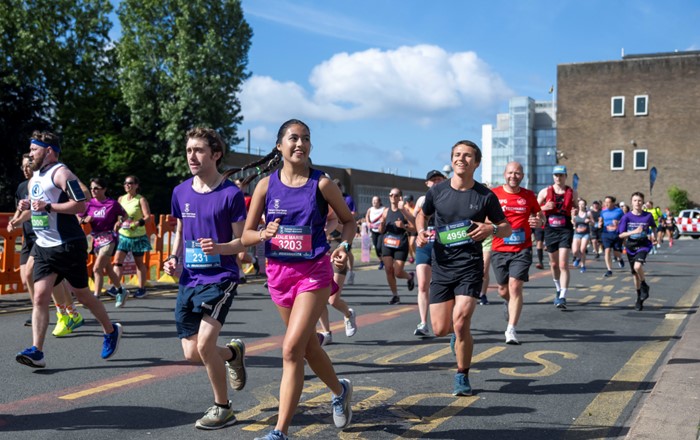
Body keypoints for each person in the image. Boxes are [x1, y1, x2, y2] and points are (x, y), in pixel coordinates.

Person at [240, 119, 353, 440]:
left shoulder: (322, 184)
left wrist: (343, 246)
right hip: (279, 274)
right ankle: (340, 390)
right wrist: (263, 233)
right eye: (293, 138)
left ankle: (280, 431)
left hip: (313, 273)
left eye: (305, 139)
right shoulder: (264, 185)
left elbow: (348, 221)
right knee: (305, 347)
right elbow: (248, 234)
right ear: (279, 146)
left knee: (290, 349)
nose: (300, 143)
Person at [162, 127, 248, 430]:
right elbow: (181, 229)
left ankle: (223, 407)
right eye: (188, 150)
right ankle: (232, 354)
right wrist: (174, 257)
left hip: (221, 277)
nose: (192, 156)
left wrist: (220, 247)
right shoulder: (180, 191)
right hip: (189, 277)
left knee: (204, 345)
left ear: (216, 154)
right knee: (192, 352)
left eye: (198, 150)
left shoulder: (231, 194)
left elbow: (243, 241)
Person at [15, 130, 122, 368]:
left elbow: (80, 205)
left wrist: (49, 206)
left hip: (67, 244)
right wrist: (26, 207)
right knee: (41, 297)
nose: (31, 154)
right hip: (44, 246)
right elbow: (36, 208)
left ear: (49, 151)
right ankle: (37, 351)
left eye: (34, 149)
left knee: (82, 294)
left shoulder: (62, 173)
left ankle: (110, 329)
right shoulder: (34, 178)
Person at [415, 139, 511, 396]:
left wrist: (491, 228)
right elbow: (421, 214)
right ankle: (456, 339)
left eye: (467, 156)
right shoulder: (437, 192)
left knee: (461, 322)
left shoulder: (484, 195)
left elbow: (507, 227)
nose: (461, 159)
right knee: (440, 329)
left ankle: (462, 375)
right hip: (442, 265)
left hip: (469, 265)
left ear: (476, 163)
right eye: (457, 154)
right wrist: (420, 232)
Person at [491, 162, 543, 345]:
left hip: (522, 248)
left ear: (522, 176)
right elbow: (485, 217)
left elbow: (540, 215)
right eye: (511, 173)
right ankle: (509, 302)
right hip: (499, 248)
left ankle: (511, 329)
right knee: (503, 289)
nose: (514, 176)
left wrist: (539, 222)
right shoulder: (494, 194)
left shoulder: (529, 195)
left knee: (515, 287)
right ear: (505, 174)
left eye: (518, 173)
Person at [78, 178, 127, 300]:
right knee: (108, 268)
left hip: (110, 238)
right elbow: (78, 218)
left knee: (97, 268)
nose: (93, 191)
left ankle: (96, 297)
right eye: (91, 188)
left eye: (96, 188)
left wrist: (119, 221)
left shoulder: (112, 203)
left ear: (104, 189)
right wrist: (85, 220)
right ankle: (121, 291)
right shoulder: (89, 204)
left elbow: (125, 215)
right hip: (96, 239)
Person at [537, 165, 578, 309]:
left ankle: (562, 297)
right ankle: (558, 288)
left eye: (561, 175)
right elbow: (533, 209)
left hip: (565, 229)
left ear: (565, 176)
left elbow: (575, 208)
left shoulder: (572, 192)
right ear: (553, 176)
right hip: (550, 229)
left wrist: (574, 212)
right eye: (556, 175)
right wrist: (544, 208)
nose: (558, 178)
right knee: (553, 265)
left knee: (563, 264)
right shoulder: (544, 192)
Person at [412, 169, 447, 336]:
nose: (436, 182)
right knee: (423, 284)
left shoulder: (450, 197)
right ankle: (423, 323)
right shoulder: (422, 200)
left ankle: (448, 319)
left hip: (444, 244)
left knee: (443, 284)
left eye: (440, 179)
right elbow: (415, 218)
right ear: (427, 183)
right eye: (433, 180)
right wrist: (420, 231)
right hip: (425, 243)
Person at [8, 154, 38, 327]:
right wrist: (14, 220)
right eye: (23, 167)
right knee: (25, 279)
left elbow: (32, 212)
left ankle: (37, 311)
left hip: (42, 237)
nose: (26, 170)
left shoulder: (40, 185)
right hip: (27, 237)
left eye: (29, 166)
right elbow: (20, 209)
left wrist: (18, 220)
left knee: (30, 274)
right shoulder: (21, 187)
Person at [113, 175, 152, 305]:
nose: (127, 185)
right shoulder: (121, 199)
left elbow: (148, 217)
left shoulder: (140, 200)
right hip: (124, 235)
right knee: (117, 261)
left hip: (138, 236)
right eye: (125, 183)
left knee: (138, 263)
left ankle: (141, 288)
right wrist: (118, 222)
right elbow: (119, 215)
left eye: (130, 183)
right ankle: (116, 287)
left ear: (136, 185)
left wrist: (137, 223)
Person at [618, 192, 657, 311]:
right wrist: (633, 232)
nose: (637, 203)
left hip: (643, 245)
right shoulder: (626, 217)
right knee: (635, 274)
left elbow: (654, 226)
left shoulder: (648, 216)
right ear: (631, 202)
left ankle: (644, 285)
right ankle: (639, 297)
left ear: (643, 202)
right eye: (635, 200)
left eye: (639, 200)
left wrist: (654, 236)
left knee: (637, 266)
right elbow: (621, 234)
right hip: (631, 246)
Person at [379, 188, 416, 304]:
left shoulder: (405, 211)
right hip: (388, 241)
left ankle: (409, 277)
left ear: (400, 197)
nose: (392, 197)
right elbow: (381, 230)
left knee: (398, 272)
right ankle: (395, 295)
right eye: (390, 195)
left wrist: (403, 226)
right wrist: (381, 225)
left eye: (395, 195)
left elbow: (414, 227)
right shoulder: (385, 211)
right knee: (389, 269)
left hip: (401, 242)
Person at [600, 195, 625, 277]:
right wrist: (599, 223)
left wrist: (618, 222)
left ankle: (620, 259)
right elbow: (601, 220)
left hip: (616, 233)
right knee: (607, 251)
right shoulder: (603, 211)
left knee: (616, 252)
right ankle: (609, 270)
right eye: (605, 202)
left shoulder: (619, 211)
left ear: (613, 203)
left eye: (608, 202)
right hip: (606, 233)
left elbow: (625, 221)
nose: (606, 204)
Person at [571, 199, 592, 273]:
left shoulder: (588, 213)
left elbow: (592, 223)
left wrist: (589, 221)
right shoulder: (575, 213)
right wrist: (573, 220)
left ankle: (583, 266)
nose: (581, 206)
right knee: (575, 251)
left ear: (585, 205)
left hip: (585, 233)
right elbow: (572, 222)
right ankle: (578, 258)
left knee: (582, 250)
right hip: (577, 233)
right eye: (580, 204)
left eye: (582, 204)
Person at [365, 196, 384, 269]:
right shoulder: (370, 209)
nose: (374, 202)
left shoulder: (383, 209)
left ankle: (386, 260)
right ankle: (381, 261)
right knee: (376, 247)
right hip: (373, 231)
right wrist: (368, 222)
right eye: (373, 201)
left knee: (379, 246)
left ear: (379, 202)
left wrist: (382, 224)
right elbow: (367, 216)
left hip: (381, 231)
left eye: (376, 201)